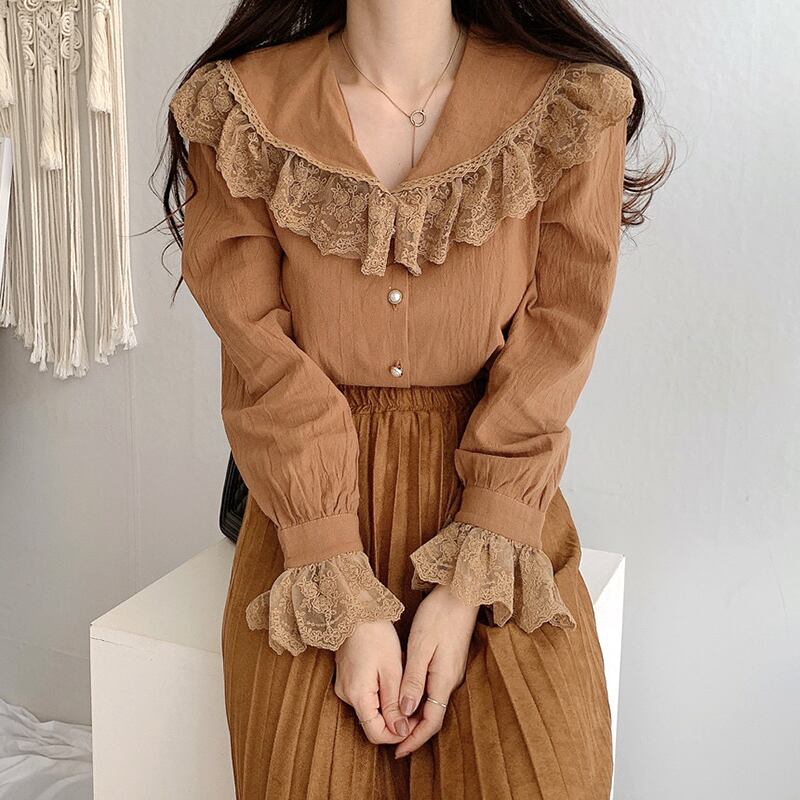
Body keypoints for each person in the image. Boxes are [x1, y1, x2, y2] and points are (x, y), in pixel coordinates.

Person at [161, 1, 671, 797]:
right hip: (309, 517)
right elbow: (262, 365)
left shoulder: (566, 105)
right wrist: (339, 587)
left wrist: (467, 585)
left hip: (495, 504)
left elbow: (557, 341)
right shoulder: (242, 112)